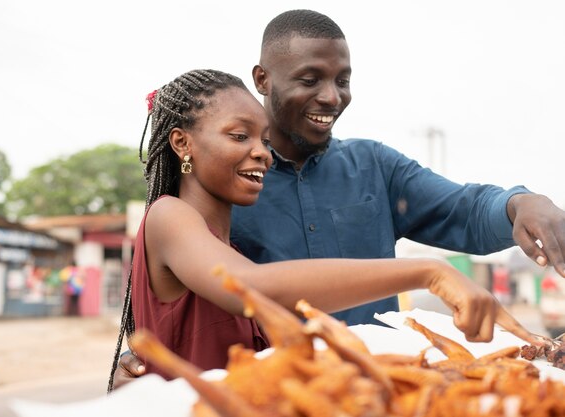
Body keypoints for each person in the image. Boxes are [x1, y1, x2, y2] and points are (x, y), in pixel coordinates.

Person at [111, 9, 565, 388]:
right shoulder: (200, 203)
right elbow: (237, 290)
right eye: (310, 79)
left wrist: (519, 203)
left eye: (343, 80)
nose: (331, 97)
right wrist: (141, 357)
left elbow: (461, 209)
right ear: (263, 80)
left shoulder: (373, 167)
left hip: (370, 395)